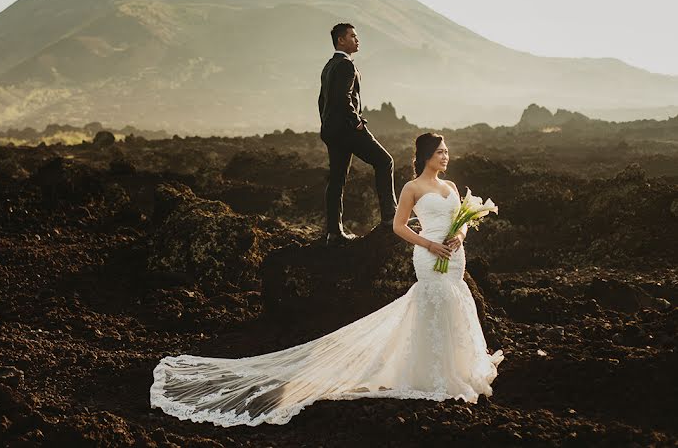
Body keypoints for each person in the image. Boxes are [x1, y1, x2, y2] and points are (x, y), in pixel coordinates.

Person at [149, 133, 504, 427]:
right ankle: (430, 372)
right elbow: (397, 227)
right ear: (427, 155)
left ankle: (454, 367)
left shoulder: (452, 185)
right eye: (440, 152)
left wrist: (459, 239)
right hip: (428, 255)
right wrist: (429, 244)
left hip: (454, 256)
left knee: (454, 300)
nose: (445, 157)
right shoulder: (412, 187)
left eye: (447, 152)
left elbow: (464, 221)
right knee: (432, 301)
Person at [318, 23, 397, 248]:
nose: (357, 39)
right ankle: (390, 217)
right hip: (348, 129)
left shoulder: (329, 66)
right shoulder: (345, 66)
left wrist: (326, 124)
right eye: (353, 36)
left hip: (332, 131)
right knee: (385, 161)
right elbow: (342, 99)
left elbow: (322, 101)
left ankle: (334, 233)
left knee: (337, 180)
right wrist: (356, 123)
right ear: (341, 40)